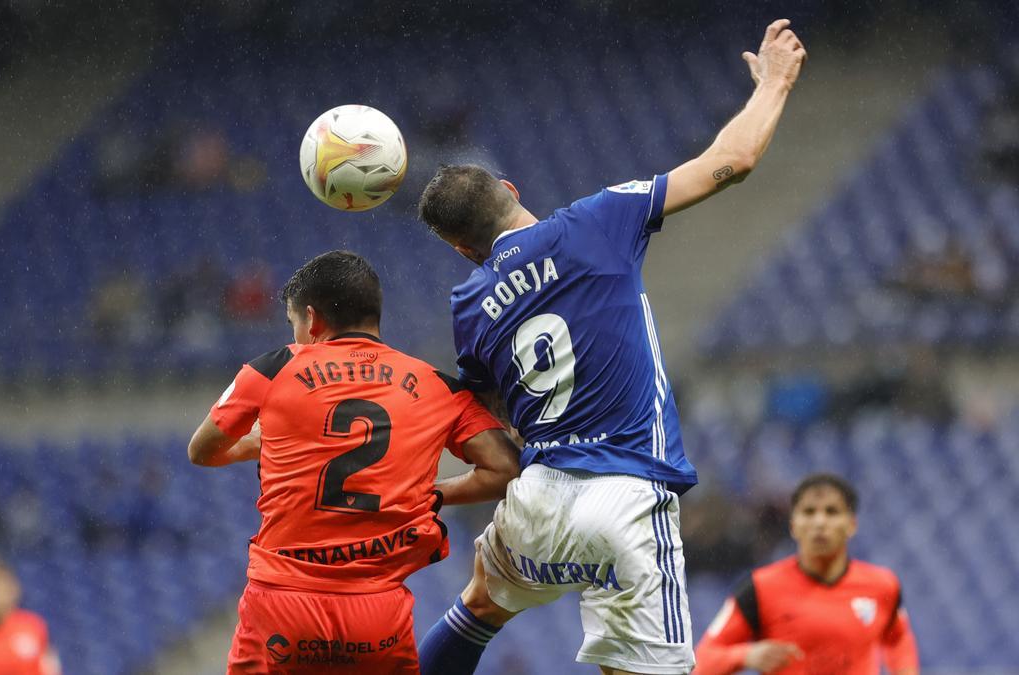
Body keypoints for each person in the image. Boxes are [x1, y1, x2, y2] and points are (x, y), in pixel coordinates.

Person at [414, 18, 807, 675]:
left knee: (479, 605)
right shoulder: (596, 219)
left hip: (539, 497)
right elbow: (729, 163)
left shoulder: (469, 305)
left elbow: (495, 413)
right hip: (626, 491)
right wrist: (775, 83)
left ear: (461, 247)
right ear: (510, 192)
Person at [187, 250, 520, 673]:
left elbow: (202, 450)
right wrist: (429, 496)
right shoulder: (437, 385)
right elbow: (505, 469)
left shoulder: (276, 366)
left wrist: (258, 443)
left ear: (312, 318)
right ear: (374, 314)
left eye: (295, 324)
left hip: (282, 607)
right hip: (376, 614)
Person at [694, 474, 919, 674]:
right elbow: (704, 659)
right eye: (809, 512)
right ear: (793, 525)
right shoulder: (761, 587)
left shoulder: (882, 586)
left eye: (832, 512)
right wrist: (745, 655)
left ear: (851, 524)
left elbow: (898, 640)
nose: (819, 522)